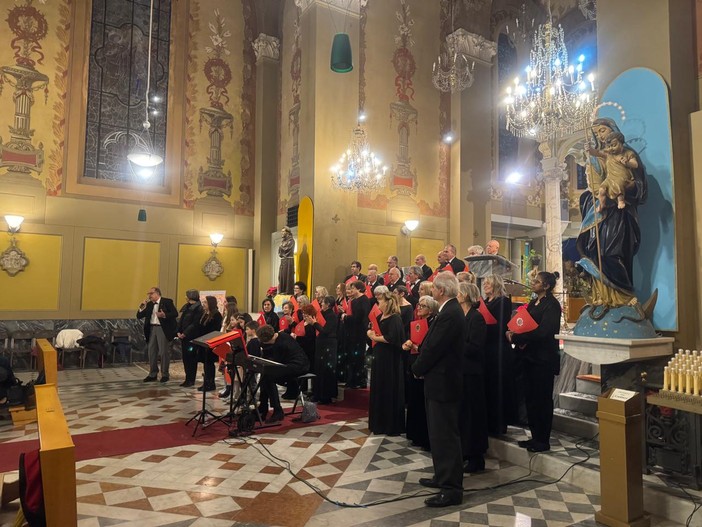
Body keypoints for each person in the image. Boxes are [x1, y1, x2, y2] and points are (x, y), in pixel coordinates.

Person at [578, 118, 647, 308]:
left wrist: (627, 187)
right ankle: (603, 297)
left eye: (603, 130)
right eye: (597, 133)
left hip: (618, 212)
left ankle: (625, 297)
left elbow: (639, 185)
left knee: (612, 253)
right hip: (600, 212)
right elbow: (593, 185)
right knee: (595, 251)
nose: (600, 135)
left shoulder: (626, 155)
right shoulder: (601, 157)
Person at [412, 272, 465, 508]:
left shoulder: (451, 313)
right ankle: (441, 476)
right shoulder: (448, 311)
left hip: (444, 383)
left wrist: (417, 367)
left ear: (441, 291)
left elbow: (434, 348)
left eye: (433, 288)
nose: (431, 291)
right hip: (438, 381)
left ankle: (451, 489)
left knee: (445, 436)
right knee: (438, 433)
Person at [507, 271, 562, 453]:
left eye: (537, 281)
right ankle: (534, 436)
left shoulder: (552, 305)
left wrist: (518, 337)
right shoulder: (533, 302)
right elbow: (524, 322)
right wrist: (512, 331)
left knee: (542, 399)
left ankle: (542, 440)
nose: (533, 283)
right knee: (530, 399)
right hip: (529, 357)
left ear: (546, 286)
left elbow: (544, 332)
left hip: (543, 359)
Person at [457, 282, 488, 473]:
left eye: (460, 292)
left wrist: (454, 343)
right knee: (462, 415)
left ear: (468, 295)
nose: (457, 295)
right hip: (460, 370)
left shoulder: (477, 318)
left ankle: (476, 457)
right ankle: (464, 452)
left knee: (472, 415)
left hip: (472, 372)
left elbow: (475, 347)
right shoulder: (461, 316)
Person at [367, 286, 406, 436]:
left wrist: (374, 337)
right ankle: (378, 422)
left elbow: (393, 338)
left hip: (390, 358)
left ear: (387, 303)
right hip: (379, 356)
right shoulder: (379, 317)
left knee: (389, 387)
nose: (378, 304)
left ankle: (390, 424)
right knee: (379, 387)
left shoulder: (395, 318)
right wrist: (370, 333)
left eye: (380, 301)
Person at [402, 295, 438, 451]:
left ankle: (423, 437)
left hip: (426, 366)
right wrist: (409, 343)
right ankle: (414, 434)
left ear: (430, 310)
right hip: (415, 362)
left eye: (422, 306)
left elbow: (430, 346)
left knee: (422, 404)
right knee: (414, 401)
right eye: (419, 306)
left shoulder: (433, 323)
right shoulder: (417, 323)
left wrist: (417, 347)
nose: (419, 308)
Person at [256, 325, 309, 424]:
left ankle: (276, 410)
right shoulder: (280, 336)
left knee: (268, 377)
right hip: (289, 364)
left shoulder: (281, 344)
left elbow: (278, 361)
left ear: (269, 339)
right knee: (265, 375)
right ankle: (263, 407)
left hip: (299, 366)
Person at [482, 274, 514, 435]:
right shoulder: (484, 302)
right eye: (485, 283)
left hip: (497, 349)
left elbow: (500, 325)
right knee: (487, 387)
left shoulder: (503, 301)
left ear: (495, 285)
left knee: (497, 388)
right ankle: (487, 422)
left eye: (488, 283)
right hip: (485, 348)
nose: (485, 286)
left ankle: (498, 424)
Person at [137, 287, 178, 383]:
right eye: (149, 294)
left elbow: (175, 313)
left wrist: (164, 315)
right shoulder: (150, 304)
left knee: (164, 352)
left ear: (157, 293)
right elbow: (139, 316)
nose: (149, 296)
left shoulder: (167, 301)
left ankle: (165, 374)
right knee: (151, 351)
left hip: (162, 329)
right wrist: (142, 306)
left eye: (151, 293)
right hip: (152, 329)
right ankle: (153, 374)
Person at [593, 131, 637, 212]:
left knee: (618, 184)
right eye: (609, 146)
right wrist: (589, 149)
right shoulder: (609, 154)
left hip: (622, 177)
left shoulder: (628, 153)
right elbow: (597, 153)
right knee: (602, 189)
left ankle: (621, 200)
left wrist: (627, 163)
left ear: (621, 143)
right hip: (610, 178)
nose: (611, 148)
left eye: (614, 145)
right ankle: (602, 204)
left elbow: (635, 164)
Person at [307, 295, 338, 404]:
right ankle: (317, 393)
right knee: (319, 369)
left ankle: (325, 396)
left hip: (329, 344)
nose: (321, 304)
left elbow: (325, 331)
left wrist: (314, 323)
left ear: (328, 304)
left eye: (323, 302)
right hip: (320, 343)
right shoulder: (322, 314)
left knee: (326, 370)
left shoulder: (332, 316)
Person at [341, 280, 370, 388]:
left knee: (358, 357)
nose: (351, 290)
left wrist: (345, 317)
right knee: (352, 357)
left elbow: (359, 318)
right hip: (352, 332)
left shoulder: (363, 300)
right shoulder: (354, 301)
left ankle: (359, 380)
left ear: (358, 289)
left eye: (352, 288)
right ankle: (351, 380)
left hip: (359, 333)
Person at [176, 289, 203, 387]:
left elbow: (195, 323)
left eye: (186, 295)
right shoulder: (187, 306)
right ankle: (187, 379)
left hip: (192, 337)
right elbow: (181, 320)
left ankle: (191, 380)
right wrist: (178, 331)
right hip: (184, 337)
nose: (185, 297)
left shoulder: (199, 308)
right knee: (185, 359)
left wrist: (185, 333)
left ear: (190, 296)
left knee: (191, 359)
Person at [196, 296, 223, 392]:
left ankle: (210, 383)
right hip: (203, 342)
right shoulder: (205, 314)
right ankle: (206, 382)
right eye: (203, 303)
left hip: (210, 343)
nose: (203, 305)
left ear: (210, 303)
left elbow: (214, 330)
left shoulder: (216, 315)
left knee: (209, 364)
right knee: (205, 363)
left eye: (205, 303)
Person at [278, 226, 295, 294]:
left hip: (288, 261)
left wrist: (281, 247)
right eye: (281, 231)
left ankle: (287, 290)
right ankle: (282, 289)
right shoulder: (283, 242)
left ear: (287, 232)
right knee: (281, 276)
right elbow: (279, 253)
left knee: (287, 275)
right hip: (283, 260)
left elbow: (287, 250)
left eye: (283, 231)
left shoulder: (291, 241)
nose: (282, 233)